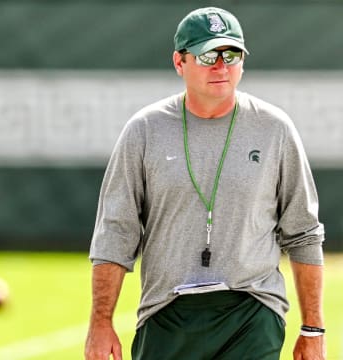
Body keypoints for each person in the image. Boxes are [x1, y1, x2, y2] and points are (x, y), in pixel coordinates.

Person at [85, 7, 326, 360]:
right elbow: (116, 231)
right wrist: (100, 322)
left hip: (252, 311)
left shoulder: (274, 128)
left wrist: (313, 329)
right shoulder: (145, 130)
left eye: (231, 55)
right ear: (179, 62)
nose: (221, 66)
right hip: (166, 312)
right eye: (207, 54)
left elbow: (303, 232)